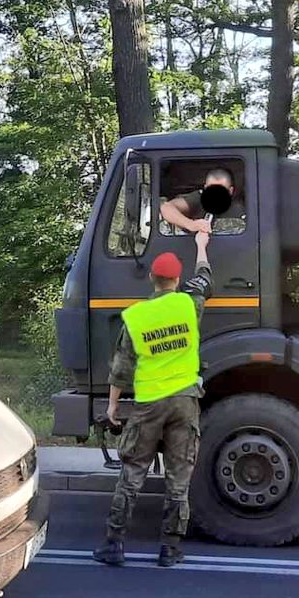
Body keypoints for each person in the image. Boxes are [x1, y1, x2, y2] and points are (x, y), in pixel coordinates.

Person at [93, 230, 213, 568]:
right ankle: (170, 549)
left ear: (151, 279)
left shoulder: (136, 317)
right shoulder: (190, 304)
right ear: (176, 279)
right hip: (185, 401)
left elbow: (120, 368)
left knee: (132, 472)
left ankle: (114, 545)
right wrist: (201, 246)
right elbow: (204, 277)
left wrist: (113, 407)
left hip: (149, 404)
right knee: (178, 478)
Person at [159, 167, 245, 235]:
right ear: (205, 188)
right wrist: (191, 224)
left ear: (230, 191)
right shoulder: (198, 199)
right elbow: (166, 208)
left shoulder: (240, 207)